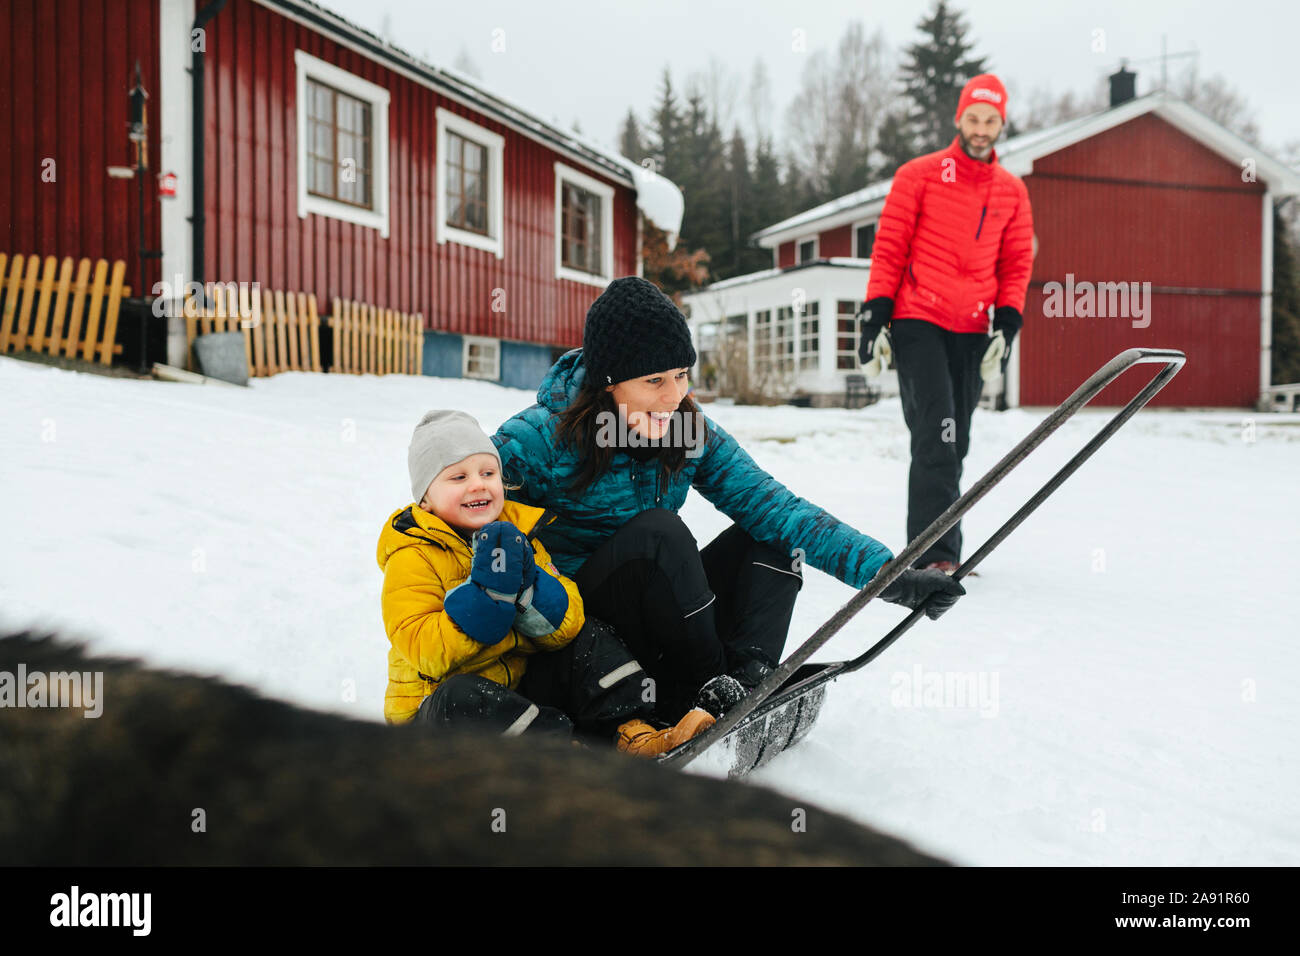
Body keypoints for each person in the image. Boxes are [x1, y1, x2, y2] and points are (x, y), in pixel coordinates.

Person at [493, 276, 966, 724]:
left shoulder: (687, 432)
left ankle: (744, 680)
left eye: (681, 375)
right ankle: (705, 682)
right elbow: (450, 515)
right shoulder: (537, 440)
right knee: (660, 533)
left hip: (663, 627)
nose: (674, 396)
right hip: (588, 639)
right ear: (608, 382)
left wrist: (890, 577)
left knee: (773, 538)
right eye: (654, 381)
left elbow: (778, 509)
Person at [376, 409, 716, 756]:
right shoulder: (412, 554)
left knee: (587, 636)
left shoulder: (517, 536)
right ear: (426, 500)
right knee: (459, 695)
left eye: (488, 472)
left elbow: (568, 625)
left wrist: (530, 590)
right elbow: (424, 651)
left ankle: (633, 734)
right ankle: (563, 758)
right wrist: (484, 601)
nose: (478, 484)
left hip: (518, 701)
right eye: (458, 477)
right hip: (436, 724)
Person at [859, 73, 1035, 572]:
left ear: (1002, 124)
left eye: (991, 120)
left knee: (955, 440)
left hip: (973, 328)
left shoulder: (1012, 191)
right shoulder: (920, 175)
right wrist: (876, 315)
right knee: (937, 434)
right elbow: (889, 245)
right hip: (919, 319)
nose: (981, 129)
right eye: (974, 118)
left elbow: (1017, 261)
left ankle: (940, 547)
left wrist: (1009, 318)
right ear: (959, 119)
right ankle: (932, 557)